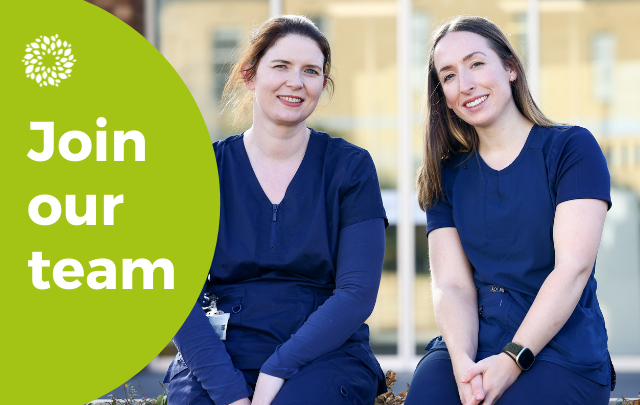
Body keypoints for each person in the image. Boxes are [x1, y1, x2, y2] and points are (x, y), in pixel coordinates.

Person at [163, 15, 388, 405]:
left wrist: (278, 367)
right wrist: (230, 393)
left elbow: (357, 293)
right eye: (281, 66)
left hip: (323, 353)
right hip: (221, 353)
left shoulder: (349, 168)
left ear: (322, 84)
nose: (296, 82)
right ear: (250, 75)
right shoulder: (203, 171)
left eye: (311, 71)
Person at [405, 15, 614, 405]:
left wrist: (513, 359)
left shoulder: (571, 149)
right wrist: (461, 362)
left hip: (560, 348)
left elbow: (573, 269)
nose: (465, 85)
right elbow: (451, 285)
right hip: (476, 336)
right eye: (448, 76)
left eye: (476, 64)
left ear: (510, 67)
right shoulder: (445, 175)